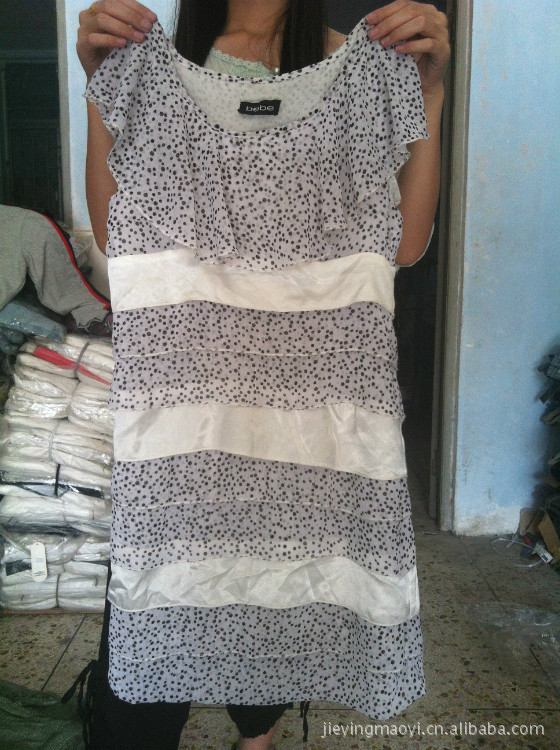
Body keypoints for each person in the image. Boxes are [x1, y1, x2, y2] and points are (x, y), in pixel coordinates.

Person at [75, 1, 450, 749]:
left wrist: (429, 92)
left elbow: (405, 244)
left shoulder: (361, 67)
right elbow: (119, 236)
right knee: (143, 688)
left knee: (279, 617)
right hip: (186, 438)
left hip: (308, 435)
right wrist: (103, 86)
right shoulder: (155, 65)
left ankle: (259, 734)